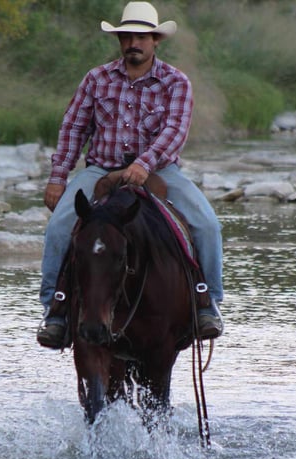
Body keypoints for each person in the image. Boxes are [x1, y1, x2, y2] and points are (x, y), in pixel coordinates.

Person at [36, 1, 223, 348]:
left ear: (155, 40)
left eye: (140, 37)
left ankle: (206, 302)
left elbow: (174, 131)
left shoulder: (175, 82)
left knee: (207, 225)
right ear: (119, 41)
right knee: (59, 226)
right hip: (101, 168)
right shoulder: (97, 78)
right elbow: (74, 127)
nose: (132, 43)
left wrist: (144, 163)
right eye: (126, 37)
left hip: (159, 169)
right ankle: (55, 309)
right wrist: (58, 177)